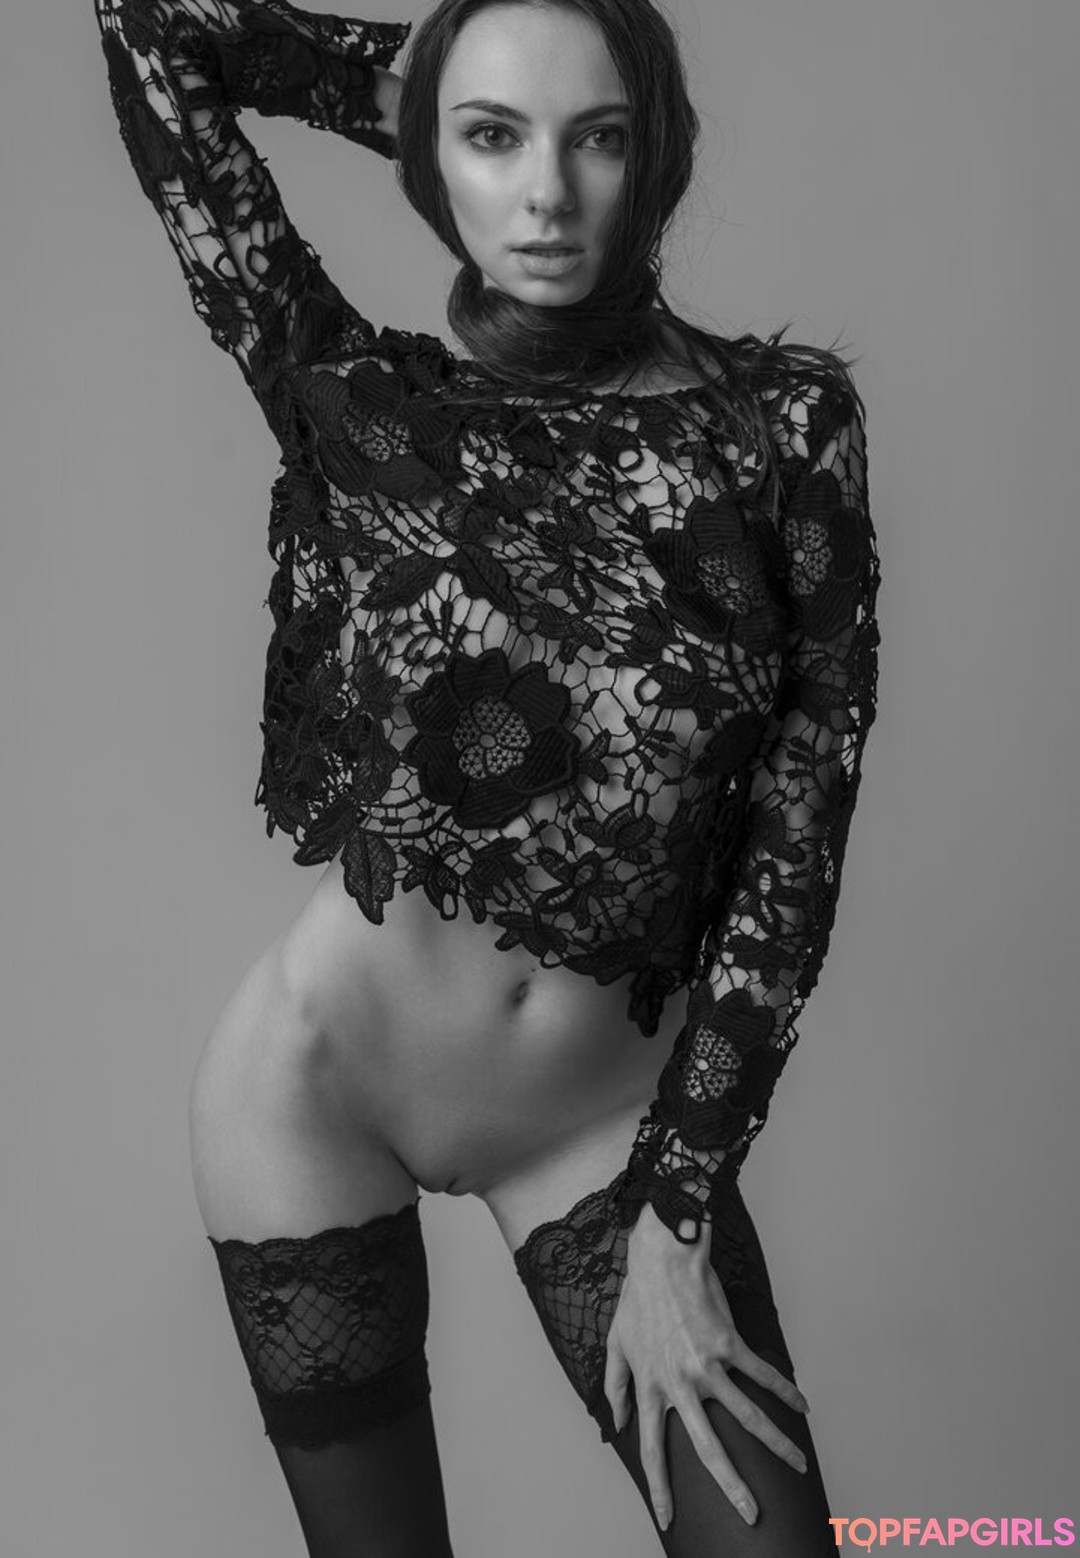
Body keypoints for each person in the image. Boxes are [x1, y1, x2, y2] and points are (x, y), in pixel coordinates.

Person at [93, 0, 881, 1551]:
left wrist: (677, 1213)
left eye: (599, 138)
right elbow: (154, 25)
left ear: (660, 154)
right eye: (495, 140)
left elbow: (800, 833)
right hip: (315, 1088)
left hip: (604, 1126)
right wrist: (420, 81)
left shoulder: (786, 431)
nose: (545, 194)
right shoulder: (360, 403)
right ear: (436, 156)